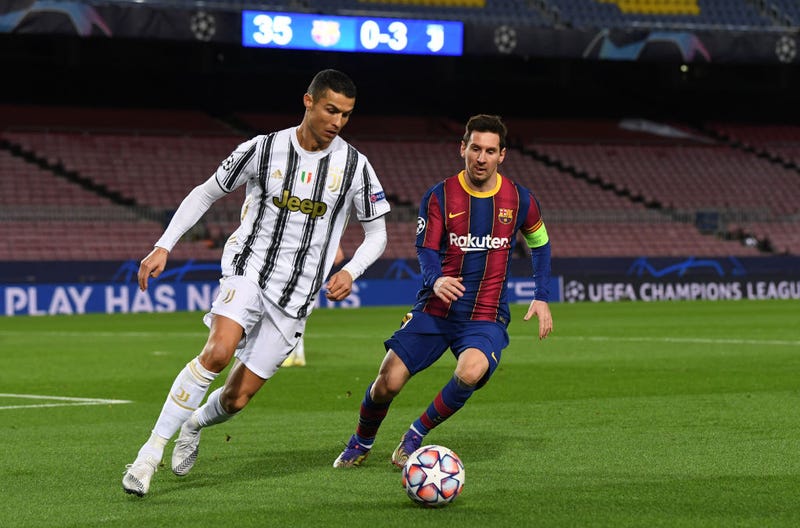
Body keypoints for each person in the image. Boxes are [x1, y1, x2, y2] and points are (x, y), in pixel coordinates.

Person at [122, 69, 391, 496]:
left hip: (297, 296)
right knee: (218, 351)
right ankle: (147, 456)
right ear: (308, 101)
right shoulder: (263, 149)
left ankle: (194, 422)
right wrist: (163, 245)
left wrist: (349, 270)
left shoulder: (355, 166)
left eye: (346, 114)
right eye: (331, 110)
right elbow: (206, 192)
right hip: (248, 270)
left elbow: (378, 234)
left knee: (236, 399)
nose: (338, 121)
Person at [333, 114, 552, 469]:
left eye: (490, 151)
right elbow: (427, 249)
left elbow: (540, 245)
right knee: (387, 381)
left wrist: (542, 294)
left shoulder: (519, 200)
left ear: (502, 155)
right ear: (462, 148)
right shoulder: (439, 196)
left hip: (485, 315)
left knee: (471, 370)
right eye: (476, 148)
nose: (481, 158)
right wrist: (435, 280)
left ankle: (415, 435)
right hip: (435, 310)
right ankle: (361, 441)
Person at [281, 245, 346, 367]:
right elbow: (339, 257)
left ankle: (289, 353)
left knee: (291, 308)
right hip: (309, 271)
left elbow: (338, 257)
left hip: (303, 270)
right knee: (298, 311)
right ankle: (298, 355)